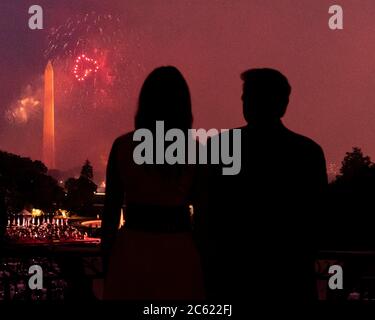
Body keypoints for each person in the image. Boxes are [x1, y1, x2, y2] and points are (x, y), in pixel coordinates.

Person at [197, 68, 328, 302]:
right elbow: (317, 217)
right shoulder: (307, 152)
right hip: (289, 277)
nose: (244, 103)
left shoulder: (222, 146)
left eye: (247, 97)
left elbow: (206, 213)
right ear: (283, 104)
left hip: (232, 276)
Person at [101, 66, 205, 300]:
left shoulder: (122, 146)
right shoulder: (196, 151)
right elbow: (203, 212)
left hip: (132, 250)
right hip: (180, 251)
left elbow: (110, 211)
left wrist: (107, 256)